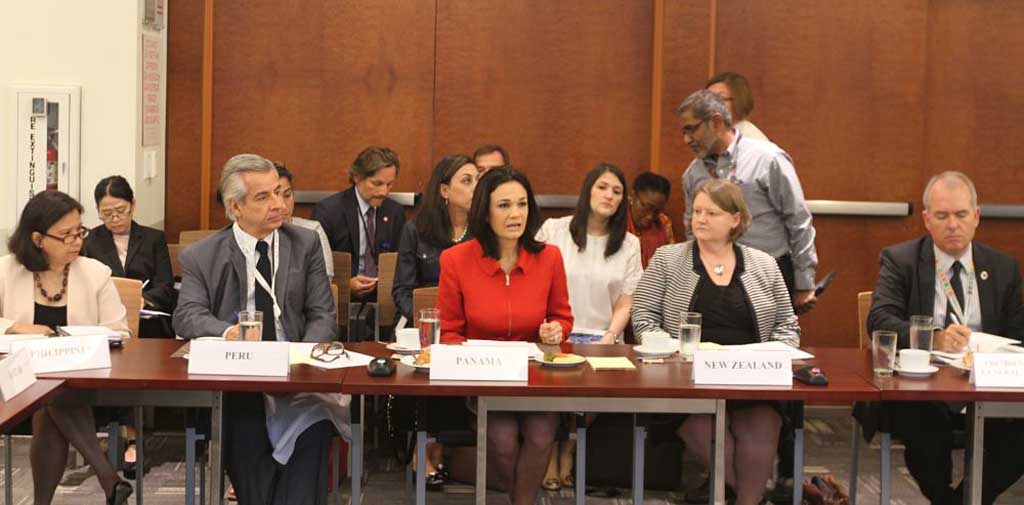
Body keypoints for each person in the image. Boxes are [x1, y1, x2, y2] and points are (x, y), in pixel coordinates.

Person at [173, 154, 345, 505]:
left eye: (280, 193)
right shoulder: (202, 255)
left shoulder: (305, 244)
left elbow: (323, 314)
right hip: (240, 383)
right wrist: (228, 332)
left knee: (312, 439)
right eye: (263, 197)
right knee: (247, 437)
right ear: (235, 207)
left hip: (298, 381)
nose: (278, 204)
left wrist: (301, 360)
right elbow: (186, 316)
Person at [632, 179, 798, 505]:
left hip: (752, 378)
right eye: (697, 211)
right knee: (706, 434)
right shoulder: (668, 259)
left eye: (712, 213)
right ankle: (748, 497)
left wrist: (777, 352)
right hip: (687, 380)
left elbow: (787, 324)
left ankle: (745, 501)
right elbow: (643, 315)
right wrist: (673, 350)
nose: (701, 219)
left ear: (735, 219)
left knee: (763, 427)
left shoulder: (764, 264)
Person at [867, 171, 1024, 505]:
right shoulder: (901, 260)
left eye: (961, 215)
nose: (953, 224)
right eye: (942, 216)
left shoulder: (1003, 267)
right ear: (926, 219)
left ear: (976, 216)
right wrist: (933, 339)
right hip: (923, 387)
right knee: (925, 425)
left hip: (985, 382)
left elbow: (1018, 334)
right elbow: (879, 320)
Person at [437, 167, 572, 505]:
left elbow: (562, 316)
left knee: (541, 436)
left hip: (536, 376)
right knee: (504, 440)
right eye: (504, 205)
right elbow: (449, 331)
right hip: (486, 376)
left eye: (522, 204)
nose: (516, 214)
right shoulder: (455, 260)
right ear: (485, 212)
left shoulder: (550, 257)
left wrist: (556, 329)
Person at [1, 190, 133, 505]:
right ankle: (109, 479)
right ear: (37, 239)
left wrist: (80, 339)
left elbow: (120, 332)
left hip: (83, 384)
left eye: (79, 232)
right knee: (51, 396)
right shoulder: (6, 271)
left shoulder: (95, 273)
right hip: (14, 386)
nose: (76, 241)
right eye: (66, 235)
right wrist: (15, 326)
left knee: (52, 396)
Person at [535, 162, 642, 489]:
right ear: (588, 191)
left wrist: (610, 336)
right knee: (549, 391)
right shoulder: (554, 230)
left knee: (594, 390)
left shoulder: (629, 243)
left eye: (617, 191)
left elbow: (626, 300)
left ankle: (568, 449)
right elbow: (535, 284)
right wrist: (546, 327)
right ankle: (549, 455)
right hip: (554, 334)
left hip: (602, 337)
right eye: (602, 187)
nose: (609, 195)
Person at [679, 89, 818, 315]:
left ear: (716, 122)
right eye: (684, 132)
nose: (687, 139)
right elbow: (692, 231)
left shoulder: (767, 159)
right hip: (714, 277)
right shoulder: (693, 174)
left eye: (691, 129)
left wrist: (804, 282)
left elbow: (798, 219)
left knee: (771, 337)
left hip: (768, 274)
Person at [390, 154, 478, 490]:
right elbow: (402, 289)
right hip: (422, 327)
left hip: (468, 328)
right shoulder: (416, 230)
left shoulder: (483, 234)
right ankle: (424, 447)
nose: (475, 187)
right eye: (467, 180)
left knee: (452, 356)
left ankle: (436, 446)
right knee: (426, 360)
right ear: (444, 190)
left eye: (477, 180)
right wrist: (423, 320)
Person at [82, 176, 176, 338]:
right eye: (107, 214)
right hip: (105, 320)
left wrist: (142, 299)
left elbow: (165, 286)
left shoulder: (153, 239)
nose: (115, 218)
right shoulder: (89, 242)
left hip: (147, 320)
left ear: (132, 205)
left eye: (120, 211)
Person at [313, 146, 405, 299]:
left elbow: (400, 263)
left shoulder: (394, 212)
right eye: (377, 184)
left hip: (384, 297)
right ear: (357, 177)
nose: (384, 192)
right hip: (341, 298)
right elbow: (315, 268)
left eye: (389, 184)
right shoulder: (329, 212)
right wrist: (345, 284)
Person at [275, 162, 334, 278]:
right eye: (275, 196)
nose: (283, 205)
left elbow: (324, 281)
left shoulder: (312, 231)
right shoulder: (250, 234)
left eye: (287, 195)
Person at [627, 171, 676, 268]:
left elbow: (671, 263)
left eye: (657, 211)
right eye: (645, 207)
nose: (650, 216)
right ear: (632, 196)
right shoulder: (615, 220)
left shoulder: (663, 222)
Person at [706, 71, 769, 141]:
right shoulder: (714, 137)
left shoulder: (751, 139)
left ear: (739, 101)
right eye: (707, 99)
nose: (710, 104)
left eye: (719, 98)